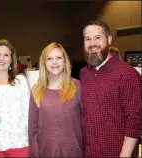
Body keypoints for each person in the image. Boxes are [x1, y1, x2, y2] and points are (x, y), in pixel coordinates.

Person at [80, 21, 142, 157]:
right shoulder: (84, 73)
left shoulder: (127, 74)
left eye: (97, 37)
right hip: (88, 153)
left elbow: (134, 121)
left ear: (108, 39)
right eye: (88, 39)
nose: (92, 44)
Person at [28, 42, 83, 157]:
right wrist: (35, 153)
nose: (54, 62)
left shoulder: (77, 87)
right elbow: (32, 129)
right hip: (46, 153)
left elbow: (86, 121)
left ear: (65, 61)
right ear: (44, 63)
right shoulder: (37, 91)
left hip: (74, 152)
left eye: (58, 57)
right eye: (49, 58)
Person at [0, 39, 30, 157]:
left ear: (11, 59)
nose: (1, 58)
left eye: (6, 55)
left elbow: (28, 112)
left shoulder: (21, 82)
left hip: (18, 143)